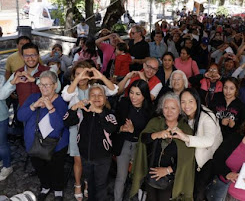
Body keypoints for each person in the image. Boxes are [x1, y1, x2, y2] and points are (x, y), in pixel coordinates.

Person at [61, 61, 118, 201]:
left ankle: (89, 186)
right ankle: (80, 184)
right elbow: (66, 99)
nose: (96, 97)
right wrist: (75, 107)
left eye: (84, 74)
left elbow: (113, 90)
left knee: (100, 183)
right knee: (80, 161)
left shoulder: (95, 89)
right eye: (78, 74)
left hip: (101, 150)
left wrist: (101, 76)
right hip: (80, 131)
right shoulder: (72, 89)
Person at [130, 92, 195, 200]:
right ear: (161, 108)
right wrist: (157, 134)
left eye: (173, 108)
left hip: (171, 178)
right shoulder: (155, 123)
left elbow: (187, 160)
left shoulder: (186, 130)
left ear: (180, 110)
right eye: (166, 108)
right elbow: (143, 139)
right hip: (151, 174)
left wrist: (167, 170)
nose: (169, 112)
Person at [17, 71, 69, 201]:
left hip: (56, 146)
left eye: (47, 85)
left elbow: (58, 127)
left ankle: (58, 190)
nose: (43, 88)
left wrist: (51, 108)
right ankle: (45, 186)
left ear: (55, 85)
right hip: (34, 143)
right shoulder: (33, 98)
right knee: (40, 168)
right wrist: (33, 106)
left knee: (57, 169)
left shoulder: (62, 102)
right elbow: (20, 116)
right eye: (41, 84)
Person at [173, 88, 222, 200]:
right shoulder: (185, 115)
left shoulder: (208, 116)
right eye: (183, 102)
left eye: (190, 101)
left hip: (208, 161)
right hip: (195, 159)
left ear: (197, 100)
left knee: (199, 192)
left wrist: (186, 138)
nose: (186, 105)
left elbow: (209, 140)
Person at [113, 80, 154, 201]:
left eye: (138, 94)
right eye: (131, 92)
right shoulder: (124, 103)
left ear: (144, 95)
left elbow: (149, 134)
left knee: (138, 176)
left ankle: (135, 197)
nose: (133, 97)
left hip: (140, 146)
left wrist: (133, 131)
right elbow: (115, 123)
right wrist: (121, 128)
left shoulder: (149, 110)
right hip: (124, 143)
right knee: (121, 176)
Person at [0, 43, 60, 107]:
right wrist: (12, 83)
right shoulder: (17, 73)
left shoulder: (49, 71)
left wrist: (36, 80)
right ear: (22, 57)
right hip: (24, 114)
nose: (30, 58)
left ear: (38, 56)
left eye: (33, 55)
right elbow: (1, 96)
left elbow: (57, 89)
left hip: (45, 114)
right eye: (26, 56)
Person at [0, 75, 11, 181]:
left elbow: (2, 95)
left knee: (2, 144)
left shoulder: (1, 78)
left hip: (1, 116)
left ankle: (7, 166)